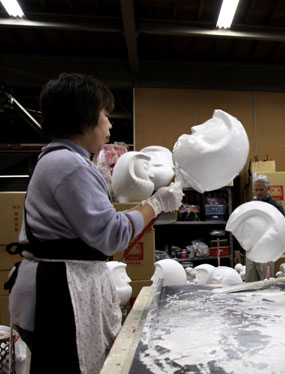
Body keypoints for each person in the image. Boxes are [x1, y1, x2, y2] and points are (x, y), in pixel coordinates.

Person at [7, 73, 184, 374]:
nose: (109, 125)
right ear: (84, 118)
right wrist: (156, 204)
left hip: (59, 281)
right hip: (58, 291)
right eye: (105, 115)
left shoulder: (64, 161)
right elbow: (111, 234)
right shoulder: (68, 164)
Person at [244, 174, 285, 282]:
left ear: (268, 189)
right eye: (256, 190)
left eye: (261, 189)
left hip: (267, 250)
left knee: (265, 283)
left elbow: (282, 229)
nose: (258, 193)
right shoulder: (251, 205)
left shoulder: (276, 206)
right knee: (250, 280)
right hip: (251, 248)